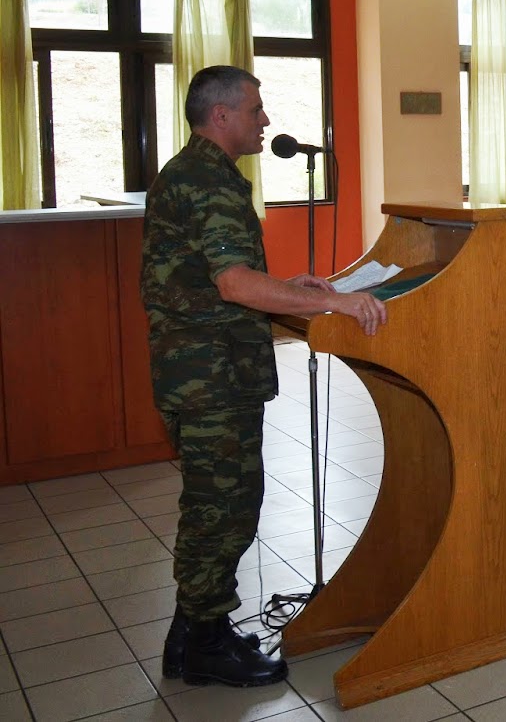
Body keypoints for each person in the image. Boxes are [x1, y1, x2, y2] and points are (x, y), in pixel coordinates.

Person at [142, 65, 385, 688]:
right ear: (220, 115)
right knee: (223, 506)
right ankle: (202, 644)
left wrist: (292, 289)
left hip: (208, 367)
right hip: (210, 375)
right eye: (256, 109)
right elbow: (232, 283)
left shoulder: (201, 171)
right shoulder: (206, 180)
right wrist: (335, 303)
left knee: (218, 504)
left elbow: (223, 276)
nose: (266, 120)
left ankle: (195, 633)